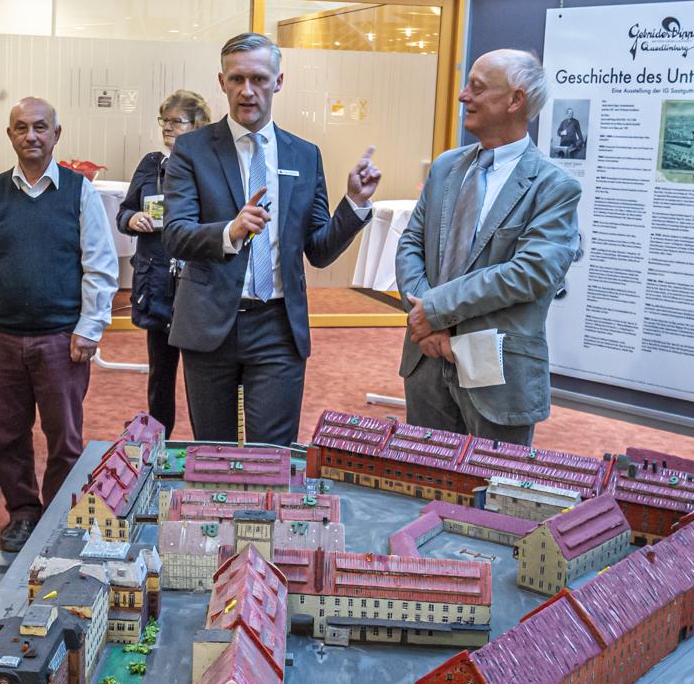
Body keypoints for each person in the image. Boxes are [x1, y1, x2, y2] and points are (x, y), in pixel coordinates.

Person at [162, 33, 380, 446]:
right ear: (222, 82)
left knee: (273, 455)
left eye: (259, 79)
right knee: (214, 453)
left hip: (278, 326)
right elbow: (175, 234)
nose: (247, 91)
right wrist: (230, 231)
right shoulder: (192, 149)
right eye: (237, 79)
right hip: (210, 322)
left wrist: (353, 203)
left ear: (278, 81)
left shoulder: (304, 154)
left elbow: (319, 250)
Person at [0, 97, 118, 553]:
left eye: (41, 127)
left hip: (62, 340)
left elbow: (100, 265)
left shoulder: (80, 192)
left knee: (64, 439)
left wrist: (90, 326)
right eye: (22, 127)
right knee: (8, 437)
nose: (31, 136)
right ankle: (23, 513)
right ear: (10, 135)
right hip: (1, 340)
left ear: (56, 134)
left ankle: (59, 517)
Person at [396, 49, 582, 446]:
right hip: (425, 359)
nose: (463, 95)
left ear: (515, 100)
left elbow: (530, 273)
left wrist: (435, 310)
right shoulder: (445, 168)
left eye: (477, 88)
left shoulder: (554, 187)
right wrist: (425, 319)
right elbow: (411, 242)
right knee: (422, 475)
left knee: (491, 480)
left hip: (496, 374)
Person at [117, 90, 211, 436]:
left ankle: (208, 446)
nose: (167, 127)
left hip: (196, 287)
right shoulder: (151, 164)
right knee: (160, 376)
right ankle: (159, 443)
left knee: (203, 380)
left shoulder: (211, 166)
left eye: (176, 121)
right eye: (164, 121)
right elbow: (124, 211)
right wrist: (132, 219)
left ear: (198, 125)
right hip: (156, 283)